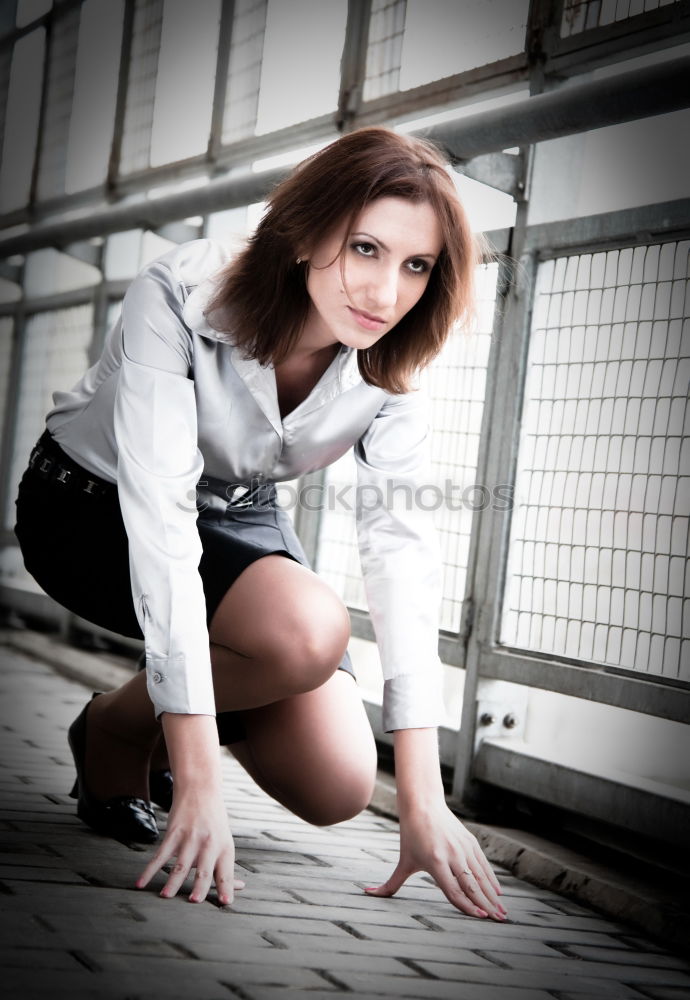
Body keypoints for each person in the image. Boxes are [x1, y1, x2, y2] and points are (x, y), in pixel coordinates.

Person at [14, 126, 506, 921]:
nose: (385, 294)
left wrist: (423, 801)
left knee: (339, 785)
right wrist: (200, 783)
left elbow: (401, 553)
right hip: (90, 508)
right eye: (365, 250)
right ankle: (124, 737)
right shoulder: (182, 290)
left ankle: (122, 714)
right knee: (308, 632)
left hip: (236, 513)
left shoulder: (391, 355)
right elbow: (162, 518)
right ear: (307, 232)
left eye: (416, 266)